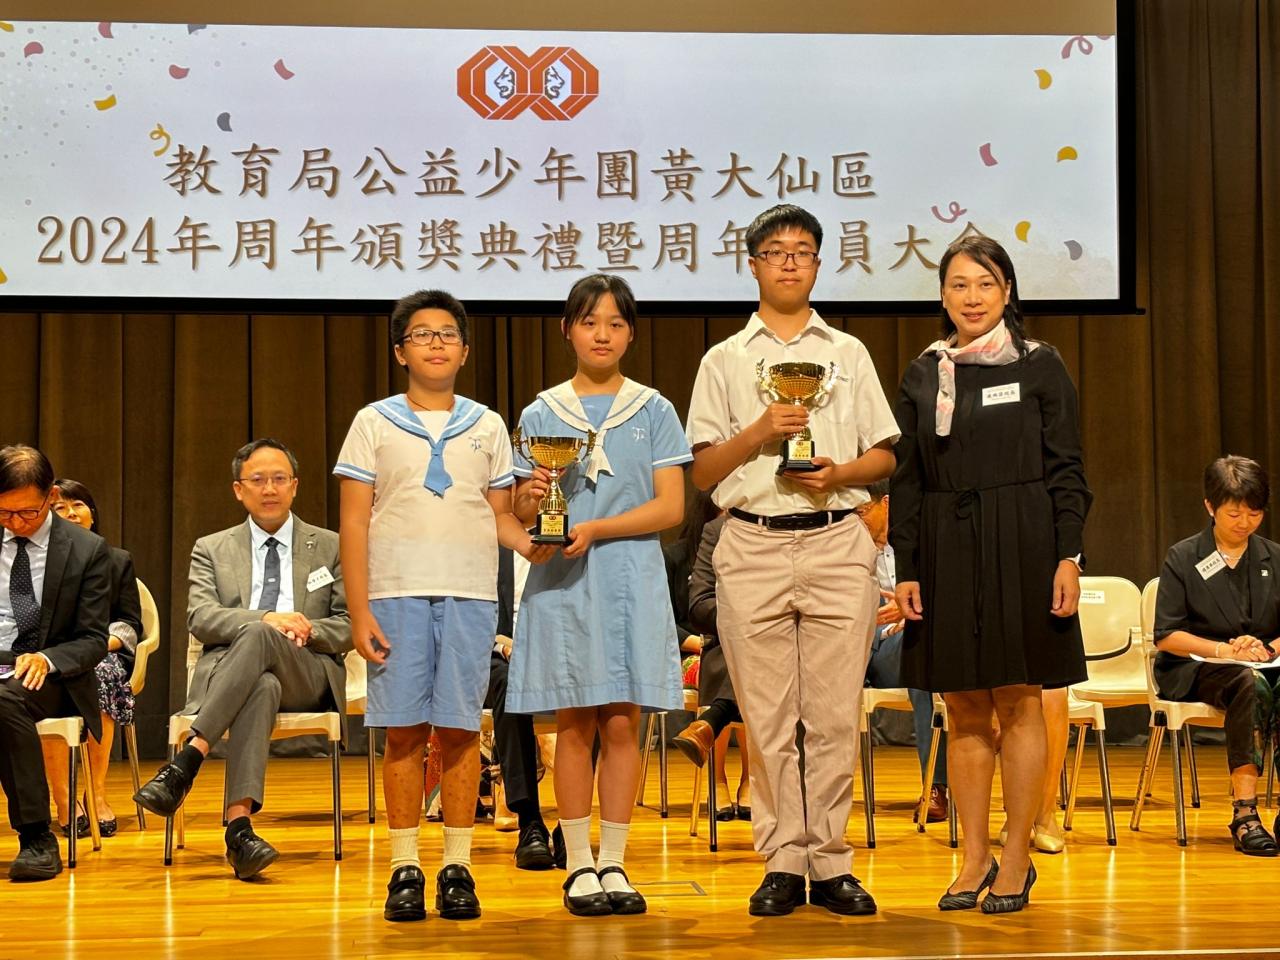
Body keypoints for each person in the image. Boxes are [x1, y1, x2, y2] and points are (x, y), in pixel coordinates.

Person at [686, 204, 897, 918]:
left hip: (838, 538)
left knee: (833, 715)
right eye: (775, 251)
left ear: (817, 264)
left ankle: (830, 861)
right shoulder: (724, 359)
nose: (788, 262)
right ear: (752, 264)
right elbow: (703, 472)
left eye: (802, 251)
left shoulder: (848, 352)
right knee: (768, 717)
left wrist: (839, 474)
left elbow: (886, 456)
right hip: (751, 541)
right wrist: (759, 431)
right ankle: (781, 860)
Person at [336, 289, 552, 923]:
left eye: (448, 334)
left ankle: (458, 867)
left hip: (470, 595)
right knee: (404, 732)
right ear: (400, 351)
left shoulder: (487, 425)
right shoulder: (373, 422)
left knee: (459, 732)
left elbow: (500, 516)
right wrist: (359, 610)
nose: (436, 343)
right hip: (394, 595)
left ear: (465, 350)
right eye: (422, 334)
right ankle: (404, 866)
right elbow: (354, 523)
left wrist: (532, 538)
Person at [891, 235, 1091, 914]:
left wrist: (1068, 556)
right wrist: (908, 566)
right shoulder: (924, 372)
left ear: (1007, 292)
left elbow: (1068, 469)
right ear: (942, 295)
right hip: (946, 546)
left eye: (985, 284)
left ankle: (1016, 857)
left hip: (1024, 543)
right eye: (958, 284)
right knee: (963, 707)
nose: (971, 297)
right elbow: (908, 479)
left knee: (1019, 700)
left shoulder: (1039, 365)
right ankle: (972, 856)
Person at [507, 273, 691, 917]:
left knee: (622, 723)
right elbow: (519, 507)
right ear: (567, 331)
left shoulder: (654, 409)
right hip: (563, 581)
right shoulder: (541, 412)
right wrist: (532, 498)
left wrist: (598, 528)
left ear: (631, 334)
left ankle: (614, 861)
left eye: (615, 323)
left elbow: (671, 508)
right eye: (589, 322)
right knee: (573, 723)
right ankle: (578, 864)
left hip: (630, 578)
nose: (602, 335)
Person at [133, 438, 351, 880]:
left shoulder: (330, 546)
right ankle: (240, 832)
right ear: (238, 489)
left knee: (261, 638)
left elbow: (348, 624)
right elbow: (201, 617)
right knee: (261, 677)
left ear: (295, 486)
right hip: (234, 674)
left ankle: (189, 758)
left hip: (306, 670)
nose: (269, 488)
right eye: (258, 480)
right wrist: (267, 619)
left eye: (279, 479)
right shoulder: (211, 548)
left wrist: (308, 629)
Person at [1153, 455, 1280, 856]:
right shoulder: (1183, 556)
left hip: (1264, 663)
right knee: (1250, 683)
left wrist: (1268, 648)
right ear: (1210, 506)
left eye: (1254, 514)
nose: (1245, 523)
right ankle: (1245, 813)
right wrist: (1225, 650)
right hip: (1198, 668)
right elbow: (1167, 635)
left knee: (1262, 680)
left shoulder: (1274, 557)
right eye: (1234, 514)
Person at [0, 444, 110, 881]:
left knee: (3, 699)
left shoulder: (87, 550)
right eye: (4, 513)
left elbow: (92, 640)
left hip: (51, 674)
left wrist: (47, 659)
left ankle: (36, 837)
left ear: (51, 496)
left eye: (26, 512)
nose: (14, 523)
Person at [41, 479, 143, 839]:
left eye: (78, 505)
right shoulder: (36, 561)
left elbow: (129, 624)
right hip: (50, 656)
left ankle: (96, 793)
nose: (71, 513)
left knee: (102, 675)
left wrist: (95, 646)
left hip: (103, 654)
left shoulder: (117, 560)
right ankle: (63, 799)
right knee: (44, 678)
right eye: (60, 508)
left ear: (92, 513)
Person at [857, 478, 948, 822]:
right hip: (856, 645)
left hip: (902, 645)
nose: (859, 519)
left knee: (921, 653)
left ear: (886, 504)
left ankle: (935, 785)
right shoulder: (845, 547)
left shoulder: (918, 544)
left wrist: (911, 613)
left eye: (863, 511)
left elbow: (944, 592)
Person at [671, 492, 751, 821]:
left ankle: (711, 723)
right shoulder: (679, 554)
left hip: (742, 645)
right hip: (696, 648)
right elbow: (662, 617)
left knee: (745, 657)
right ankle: (720, 780)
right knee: (741, 659)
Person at [487, 546, 555, 869]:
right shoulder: (492, 545)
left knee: (595, 687)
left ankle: (570, 828)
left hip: (560, 648)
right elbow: (475, 613)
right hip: (504, 651)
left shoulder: (566, 540)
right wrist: (505, 646)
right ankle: (530, 821)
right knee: (509, 680)